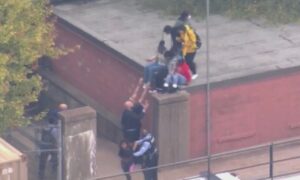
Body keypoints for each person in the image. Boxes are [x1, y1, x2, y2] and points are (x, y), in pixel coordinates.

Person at [38, 103, 68, 180]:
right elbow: (57, 138)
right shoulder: (56, 127)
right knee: (55, 160)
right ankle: (54, 174)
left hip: (44, 146)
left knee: (42, 162)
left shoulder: (49, 121)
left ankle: (41, 176)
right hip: (52, 146)